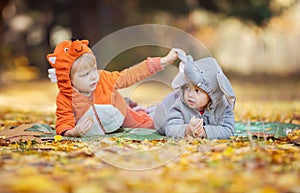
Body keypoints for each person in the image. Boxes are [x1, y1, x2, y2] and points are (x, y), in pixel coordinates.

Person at [47, 38, 177, 137]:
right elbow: (63, 121)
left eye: (93, 70)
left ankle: (144, 111)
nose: (93, 77)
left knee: (150, 126)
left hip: (119, 112)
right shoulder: (66, 98)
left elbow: (130, 75)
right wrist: (72, 132)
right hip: (98, 127)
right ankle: (138, 108)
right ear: (68, 79)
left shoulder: (103, 78)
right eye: (85, 74)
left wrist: (162, 62)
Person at [153, 51, 236, 139]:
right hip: (163, 112)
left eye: (197, 91)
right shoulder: (179, 104)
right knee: (151, 115)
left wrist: (205, 132)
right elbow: (170, 128)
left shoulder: (223, 107)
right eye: (187, 88)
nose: (190, 95)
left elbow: (229, 130)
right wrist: (187, 130)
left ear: (212, 94)